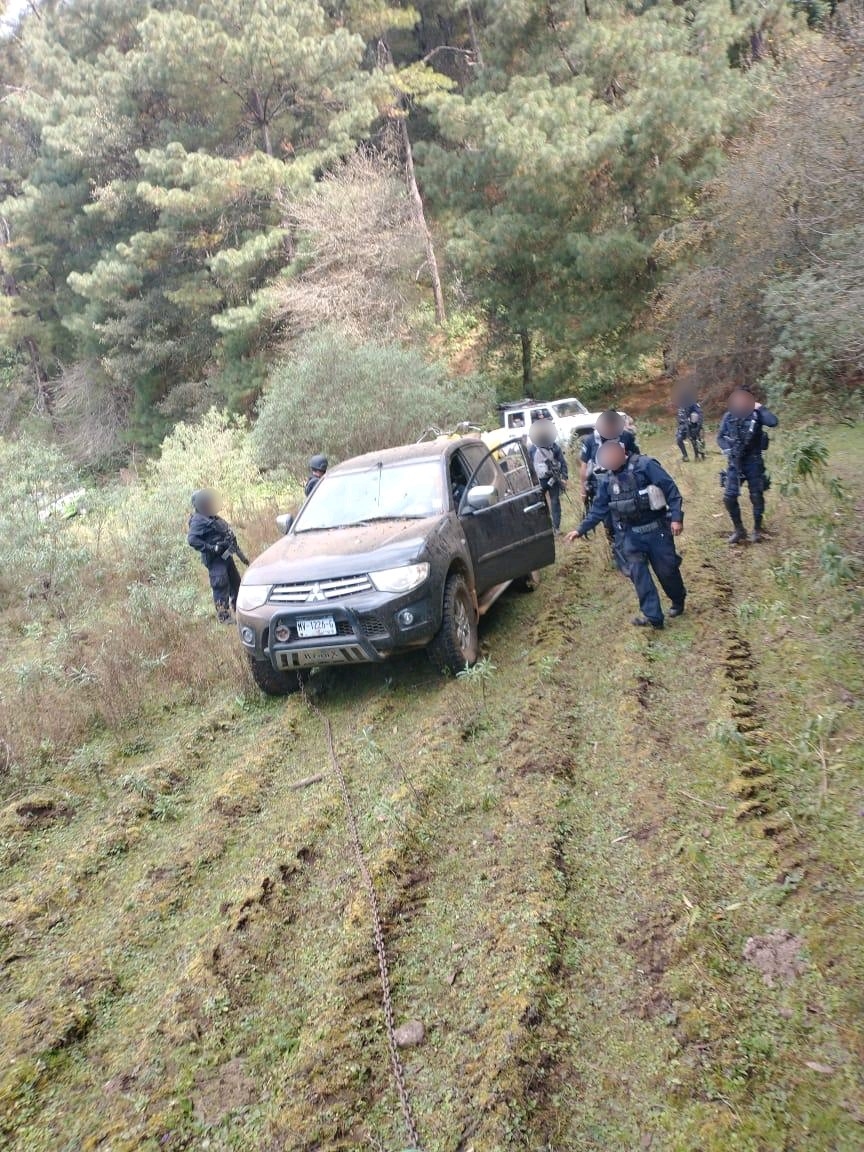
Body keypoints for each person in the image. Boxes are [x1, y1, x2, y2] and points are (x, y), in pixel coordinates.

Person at [566, 440, 686, 630]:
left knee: (667, 571)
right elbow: (598, 509)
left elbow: (670, 488)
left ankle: (678, 601)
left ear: (623, 453)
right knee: (639, 576)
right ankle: (653, 617)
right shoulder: (606, 480)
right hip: (630, 535)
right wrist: (580, 530)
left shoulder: (645, 465)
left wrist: (677, 518)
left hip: (656, 530)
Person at [579, 410, 641, 569]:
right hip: (601, 486)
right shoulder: (591, 440)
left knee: (630, 515)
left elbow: (636, 457)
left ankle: (636, 550)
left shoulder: (625, 436)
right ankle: (618, 554)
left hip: (625, 483)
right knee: (608, 522)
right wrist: (583, 489)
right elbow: (584, 465)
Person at [716, 388, 779, 544]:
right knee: (729, 498)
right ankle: (739, 530)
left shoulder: (756, 416)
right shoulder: (729, 416)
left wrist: (760, 407)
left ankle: (757, 529)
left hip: (753, 461)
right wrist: (728, 450)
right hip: (735, 462)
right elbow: (720, 437)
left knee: (756, 496)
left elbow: (773, 422)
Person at [187, 489, 248, 623]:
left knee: (236, 583)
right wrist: (212, 548)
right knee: (220, 585)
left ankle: (239, 611)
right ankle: (224, 617)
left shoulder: (212, 517)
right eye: (206, 501)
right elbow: (192, 540)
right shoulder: (198, 520)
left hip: (226, 556)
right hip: (215, 560)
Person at [528, 417, 569, 533]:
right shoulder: (532, 449)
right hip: (539, 481)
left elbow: (562, 462)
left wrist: (564, 477)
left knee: (555, 502)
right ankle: (544, 528)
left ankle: (556, 527)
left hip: (553, 479)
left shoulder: (554, 447)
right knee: (541, 504)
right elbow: (529, 467)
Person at [674, 391, 705, 462]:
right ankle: (685, 456)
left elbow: (700, 414)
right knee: (679, 439)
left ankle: (699, 455)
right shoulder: (681, 405)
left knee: (695, 440)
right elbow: (680, 416)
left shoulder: (693, 404)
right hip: (683, 426)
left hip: (692, 426)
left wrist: (698, 425)